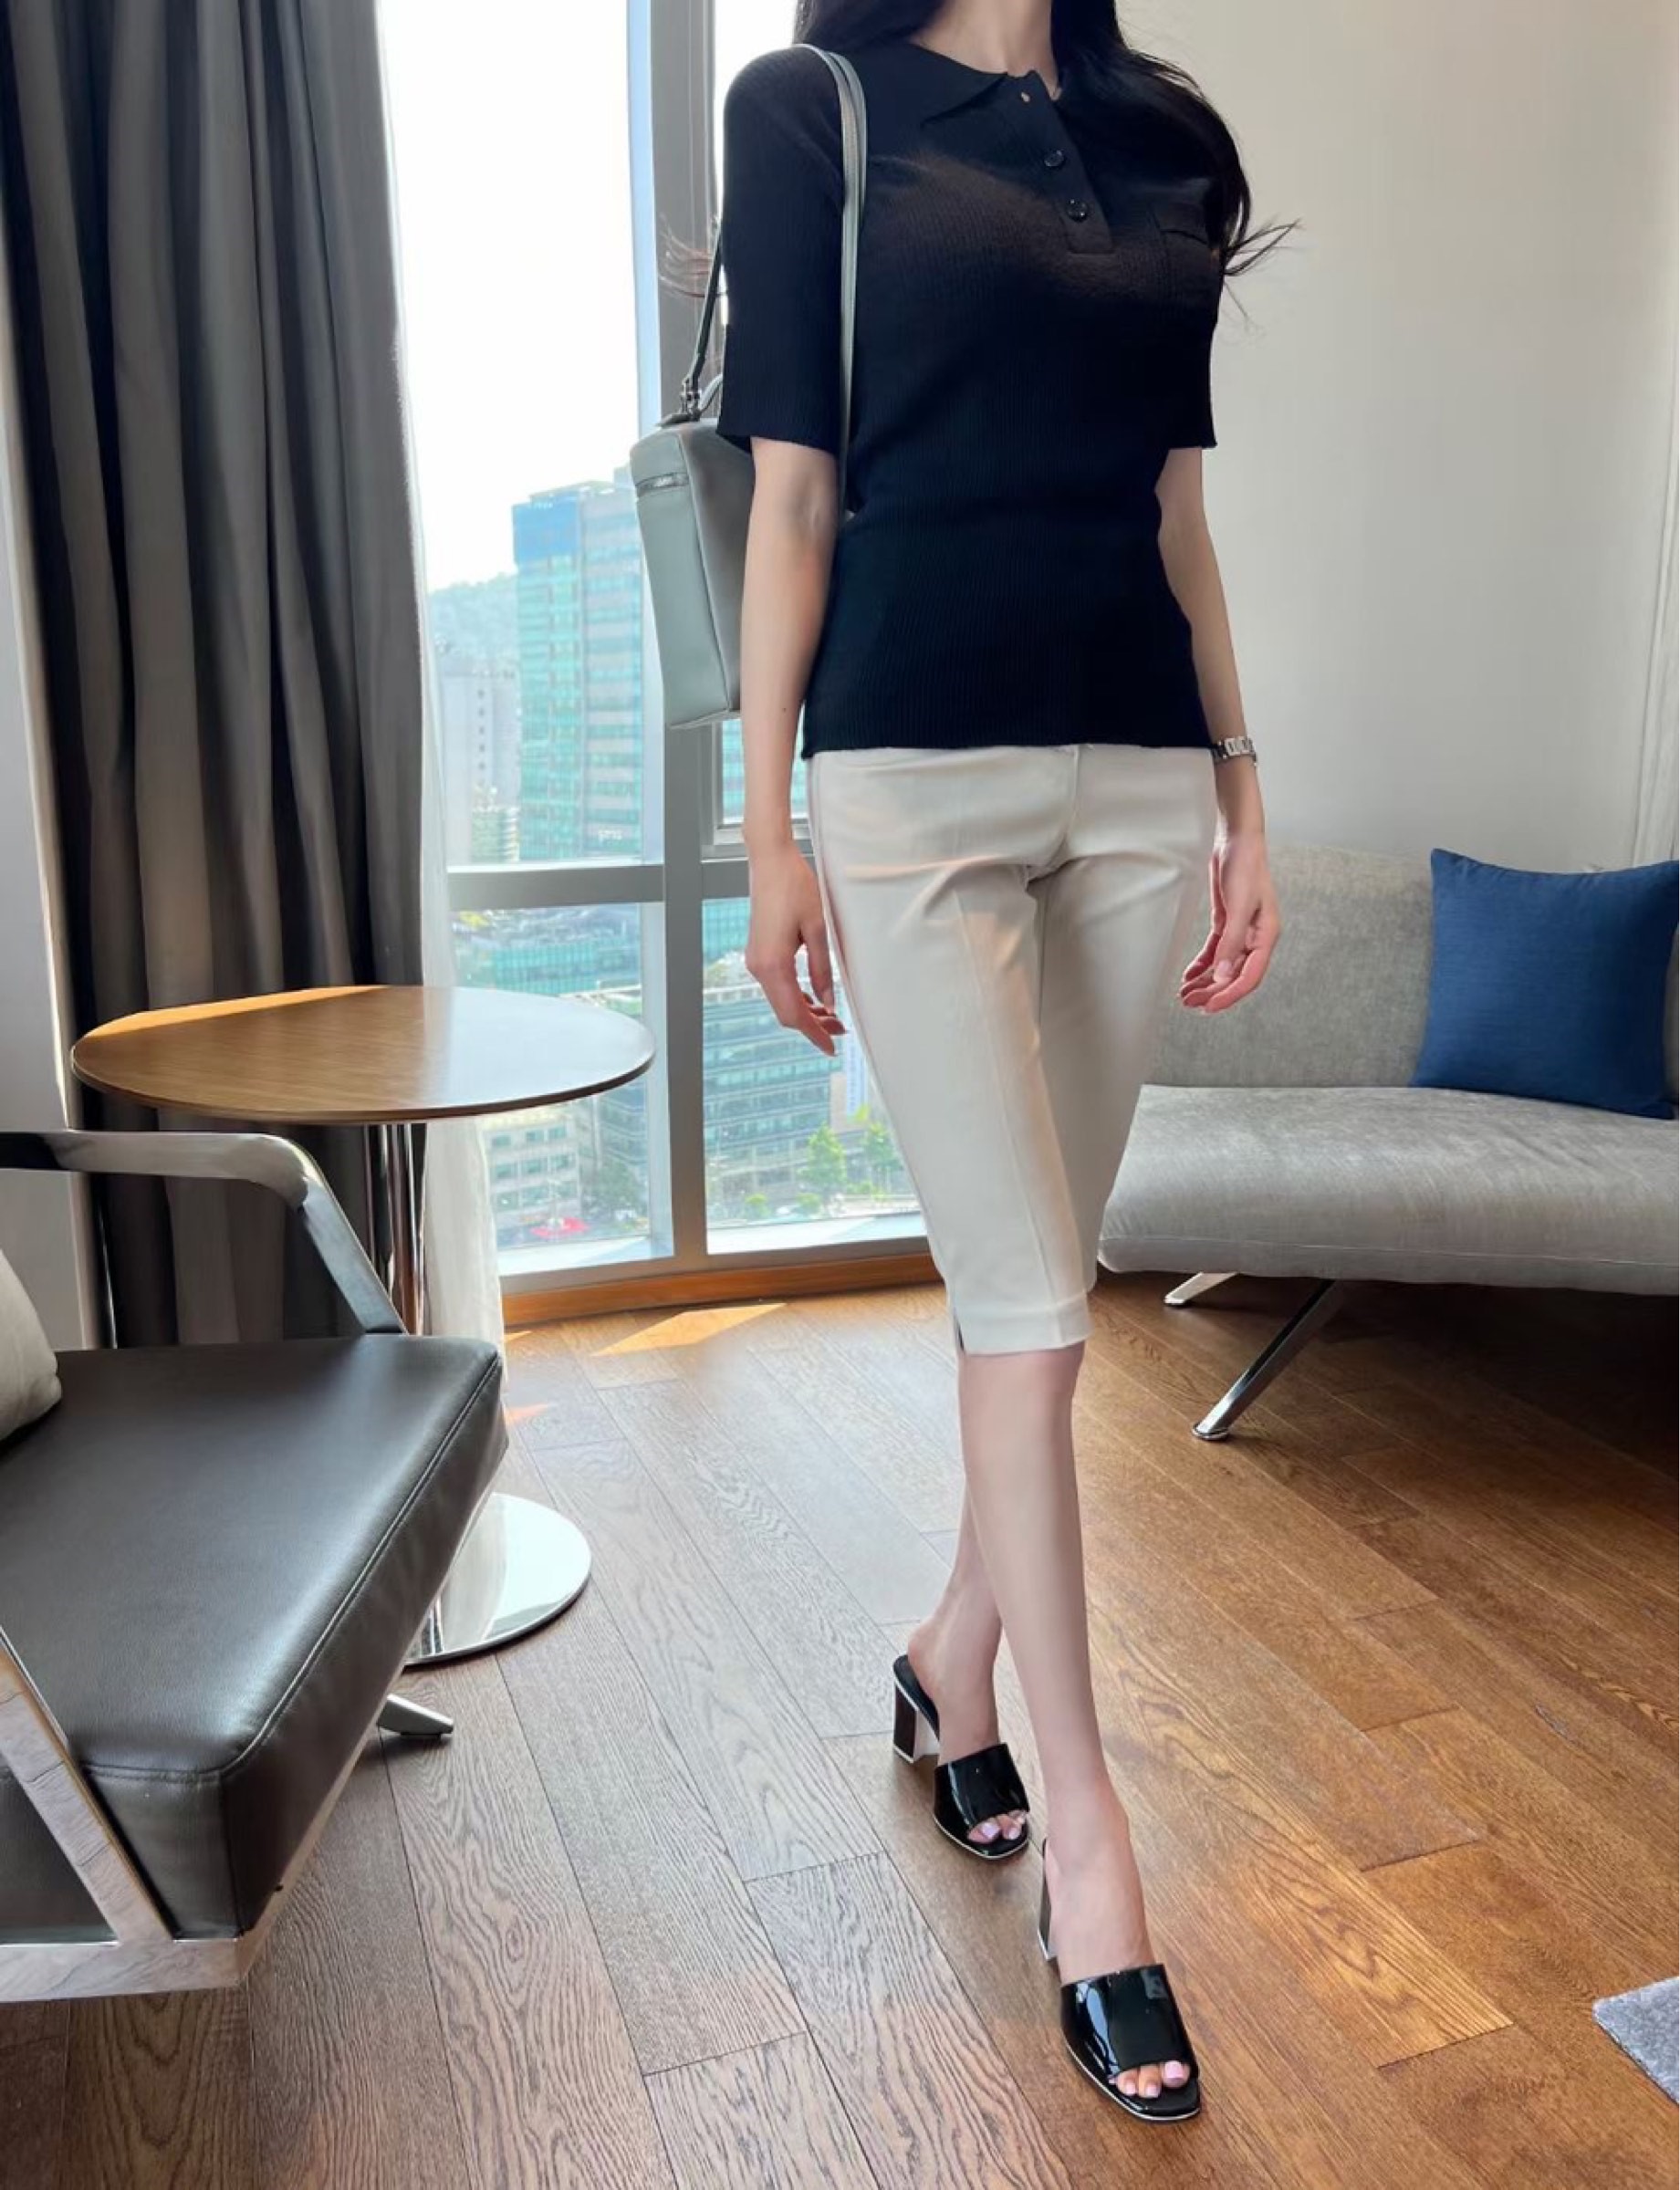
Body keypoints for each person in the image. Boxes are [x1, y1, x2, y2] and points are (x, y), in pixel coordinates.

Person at [717, 0, 1284, 2125]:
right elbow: (794, 499)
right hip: (907, 781)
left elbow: (1179, 512)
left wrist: (1243, 790)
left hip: (1138, 778)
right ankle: (1097, 1862)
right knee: (1030, 1319)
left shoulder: (1167, 142)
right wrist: (768, 834)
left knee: (1043, 1296)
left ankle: (951, 1666)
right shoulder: (815, 110)